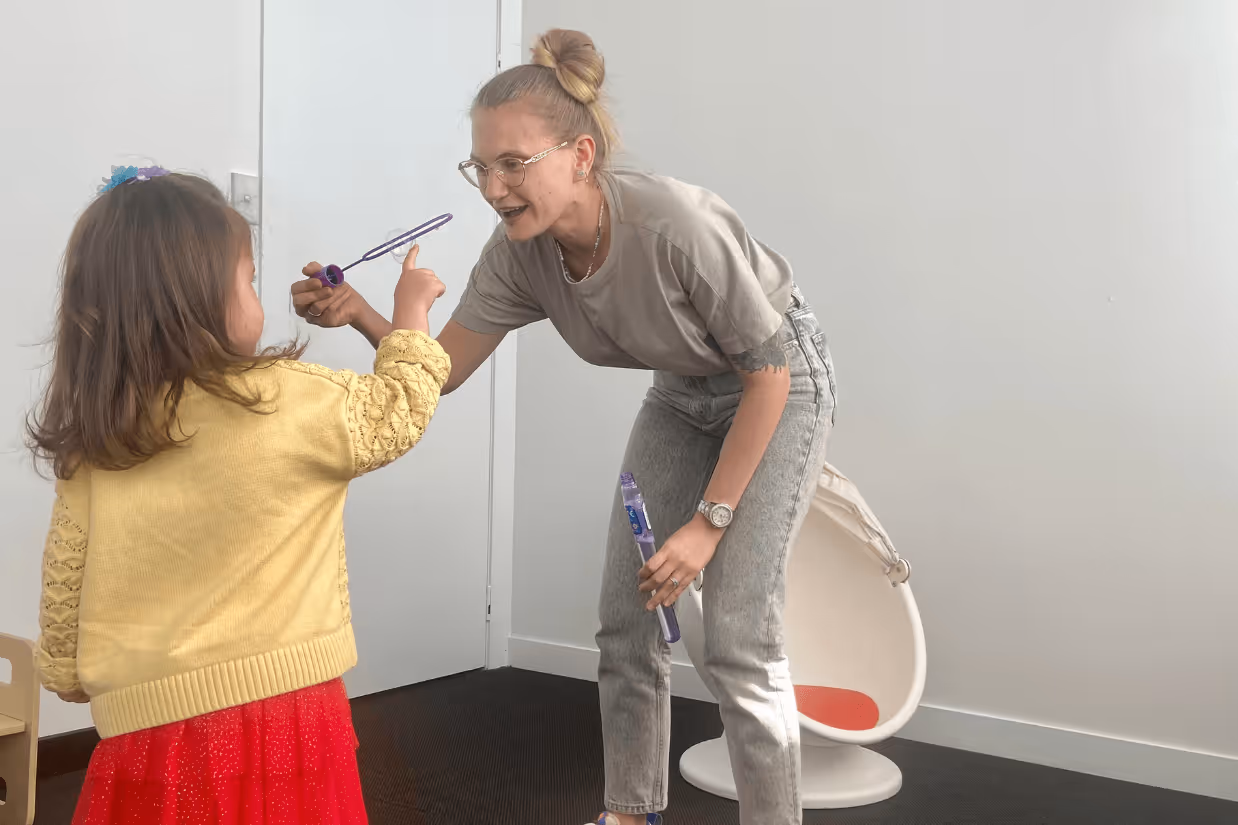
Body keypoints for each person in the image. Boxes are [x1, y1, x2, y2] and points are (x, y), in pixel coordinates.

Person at [292, 29, 836, 825]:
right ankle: (629, 813)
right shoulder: (519, 256)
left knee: (741, 641)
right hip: (684, 393)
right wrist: (361, 314)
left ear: (580, 157)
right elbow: (439, 373)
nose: (492, 185)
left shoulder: (672, 223)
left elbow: (769, 374)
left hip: (778, 383)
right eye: (481, 166)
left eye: (514, 163)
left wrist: (708, 524)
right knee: (626, 624)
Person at [29, 167, 449, 824]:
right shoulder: (289, 398)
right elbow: (400, 408)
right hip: (292, 721)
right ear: (199, 300)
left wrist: (67, 676)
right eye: (249, 280)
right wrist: (410, 313)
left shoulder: (100, 437)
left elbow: (65, 584)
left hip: (148, 737)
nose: (258, 295)